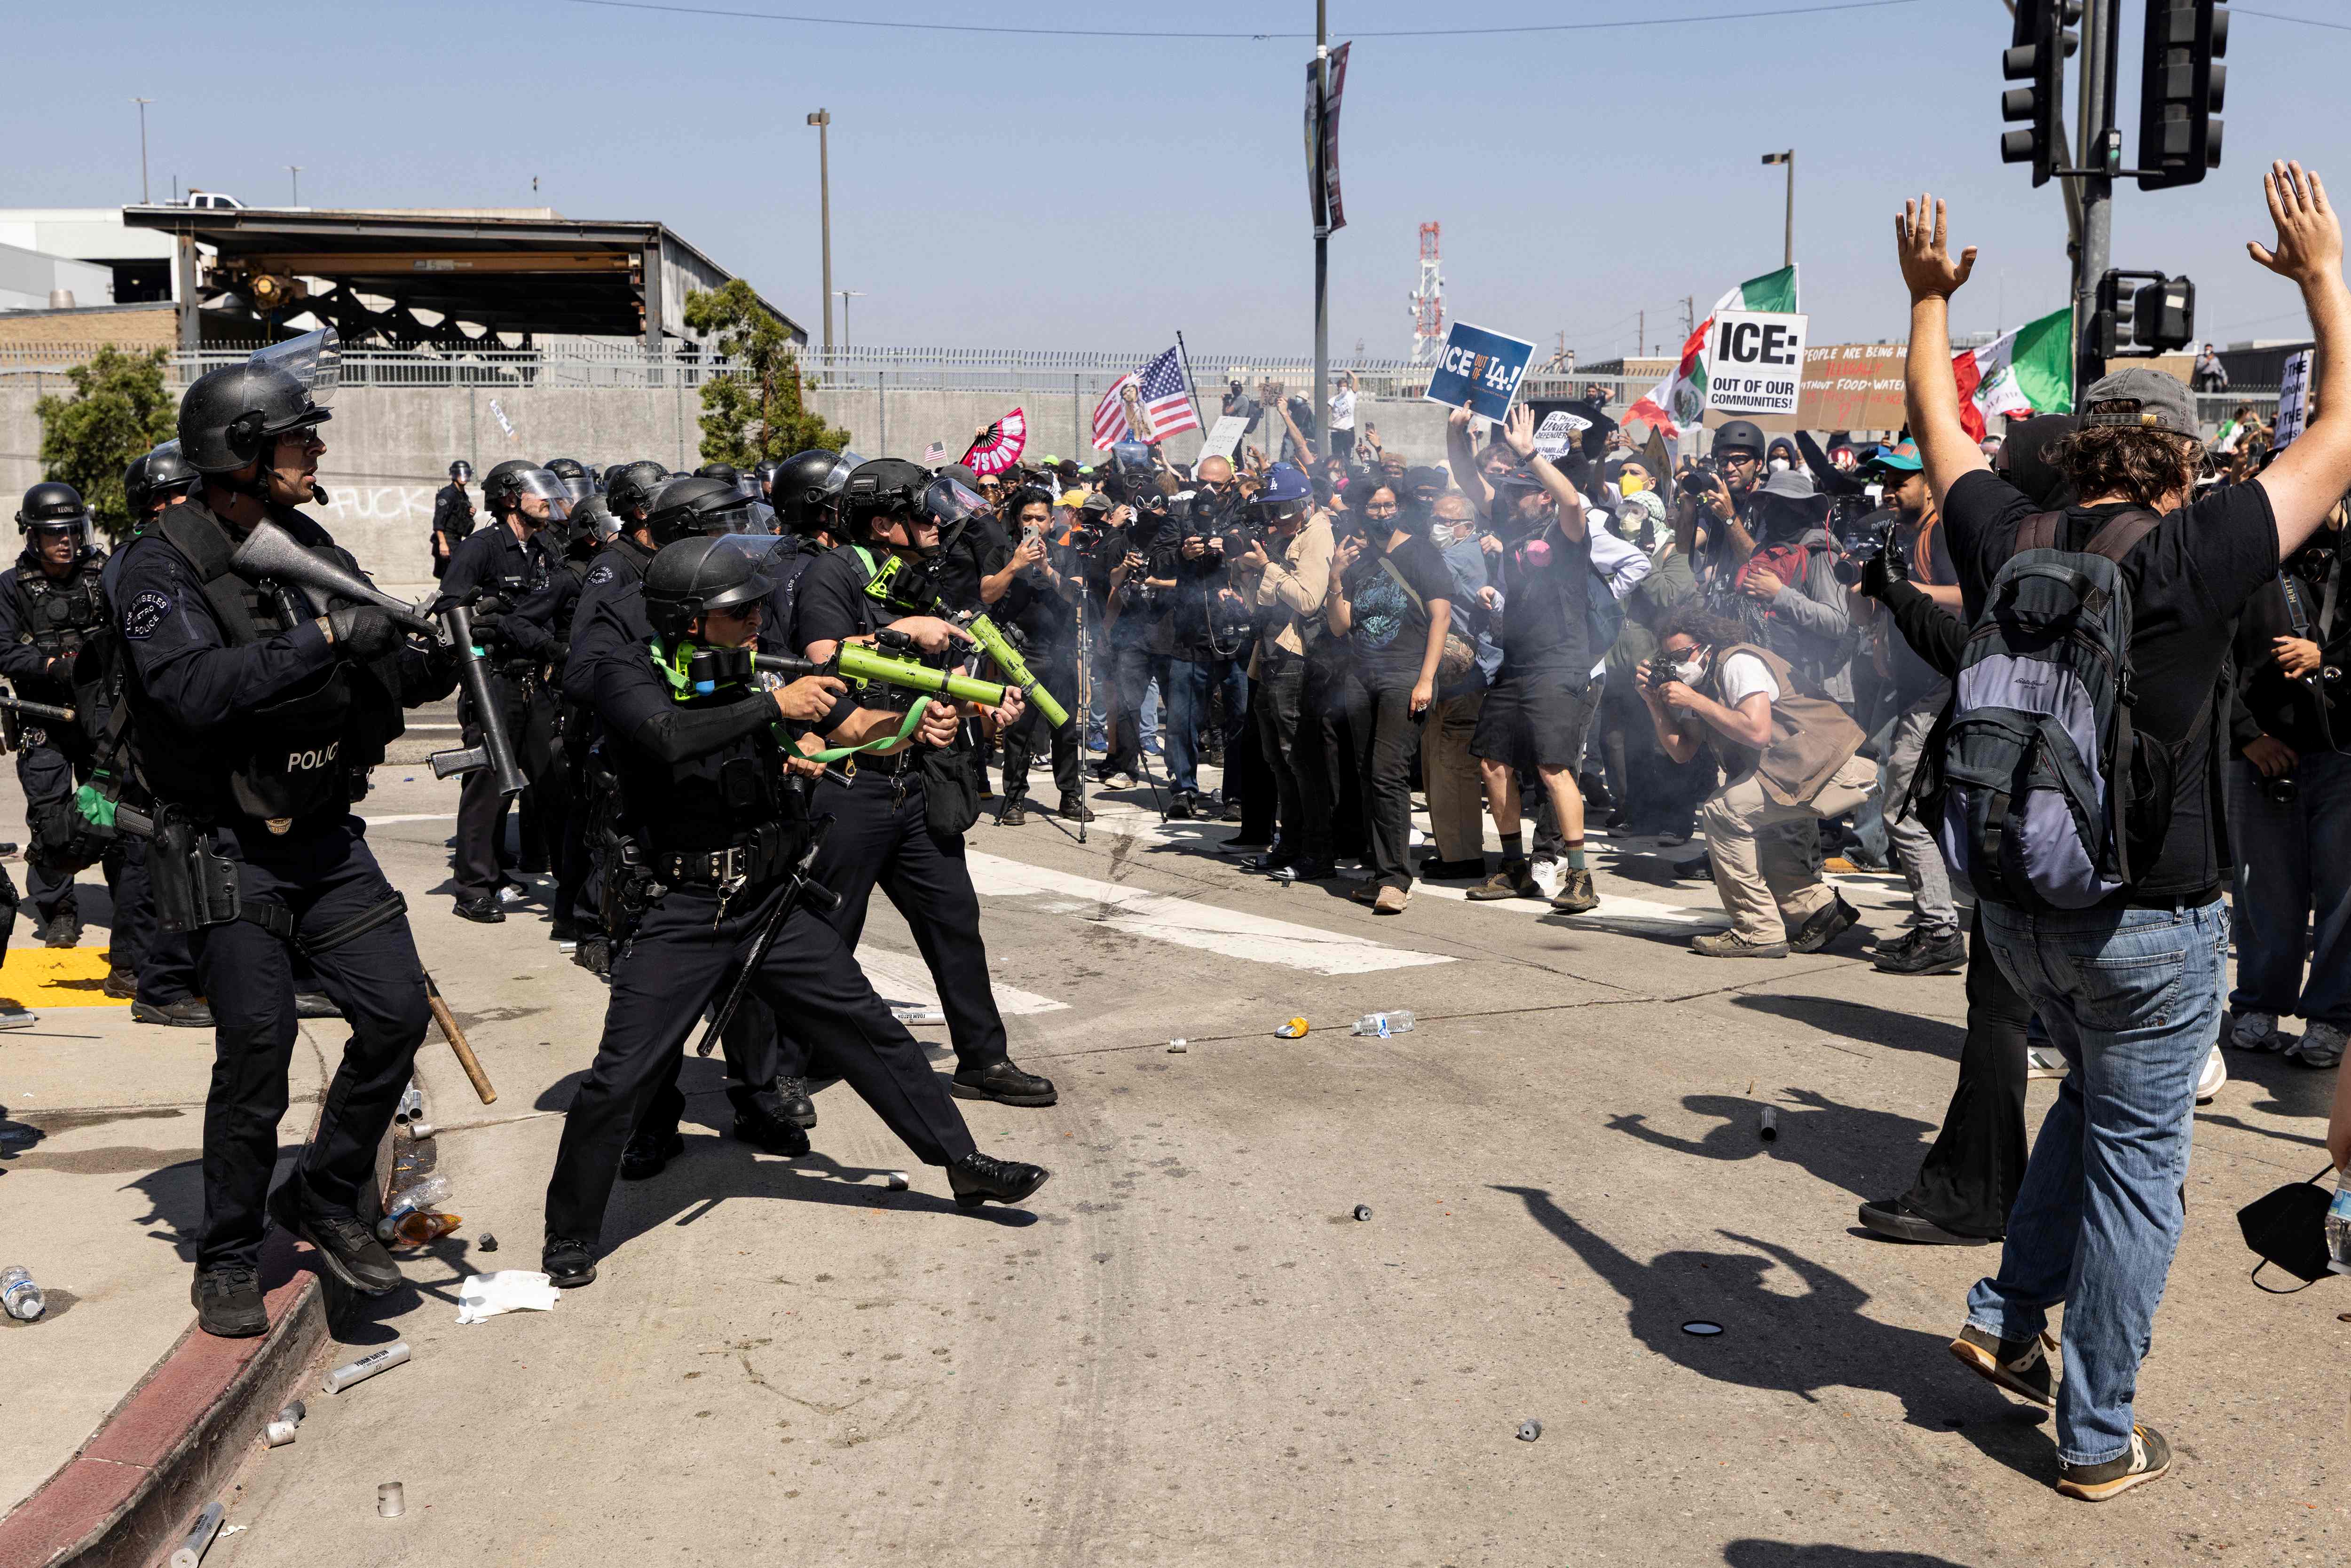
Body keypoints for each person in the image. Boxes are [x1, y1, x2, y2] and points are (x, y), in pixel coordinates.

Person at [1901, 164, 2351, 1501]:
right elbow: (2342, 423)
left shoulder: (2004, 527)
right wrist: (2325, 274)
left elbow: (1941, 427)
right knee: (2141, 1175)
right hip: (2148, 921)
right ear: (2178, 450)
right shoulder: (2199, 547)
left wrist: (1926, 303)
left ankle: (2002, 1312)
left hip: (2023, 910)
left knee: (2090, 1103)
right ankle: (2096, 1433)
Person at [541, 535, 1050, 1290]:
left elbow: (849, 731)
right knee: (621, 1076)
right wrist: (773, 708)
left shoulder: (750, 664)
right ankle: (570, 1232)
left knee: (871, 1030)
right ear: (689, 620)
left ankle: (962, 1163)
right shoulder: (628, 670)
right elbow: (670, 737)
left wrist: (919, 722)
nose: (755, 621)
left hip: (765, 901)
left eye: (755, 608)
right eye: (738, 611)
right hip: (681, 908)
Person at [113, 348, 459, 1337]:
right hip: (225, 843)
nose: (313, 450)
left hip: (322, 836)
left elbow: (378, 657)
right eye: (298, 437)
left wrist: (439, 650)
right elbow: (188, 688)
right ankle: (226, 1251)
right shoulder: (157, 564)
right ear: (245, 450)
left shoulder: (297, 539)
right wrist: (322, 640)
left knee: (394, 1013)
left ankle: (322, 1190)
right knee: (257, 1049)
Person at [780, 457, 1058, 1109]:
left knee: (955, 922)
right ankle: (783, 1075)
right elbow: (821, 662)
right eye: (920, 512)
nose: (936, 522)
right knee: (821, 934)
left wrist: (983, 705)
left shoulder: (914, 576)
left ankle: (983, 1060)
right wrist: (900, 630)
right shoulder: (833, 572)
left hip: (917, 784)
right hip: (851, 783)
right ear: (882, 523)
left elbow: (935, 678)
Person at [1640, 603, 1873, 958]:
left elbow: (1758, 731)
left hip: (1830, 765)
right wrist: (1655, 705)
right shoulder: (1704, 685)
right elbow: (1683, 750)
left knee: (1723, 811)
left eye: (1682, 654)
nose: (1676, 664)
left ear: (1705, 645)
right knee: (1758, 830)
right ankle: (1820, 909)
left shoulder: (1738, 663)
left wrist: (1695, 701)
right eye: (1668, 659)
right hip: (1798, 770)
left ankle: (1757, 929)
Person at [1450, 406, 1601, 914]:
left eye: (1523, 490)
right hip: (1514, 663)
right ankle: (1513, 867)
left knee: (1553, 766)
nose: (1513, 498)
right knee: (1493, 765)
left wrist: (1530, 455)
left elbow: (1572, 500)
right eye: (1510, 491)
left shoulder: (1565, 532)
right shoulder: (1510, 524)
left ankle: (1579, 876)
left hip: (1559, 664)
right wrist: (1454, 433)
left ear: (1540, 492)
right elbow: (1469, 481)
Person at [2222, 495, 2350, 1069]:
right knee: (2263, 895)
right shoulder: (2247, 556)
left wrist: (2324, 656)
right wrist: (2246, 735)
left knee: (2342, 897)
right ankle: (2256, 1005)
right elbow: (2211, 654)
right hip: (2262, 756)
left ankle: (2330, 1019)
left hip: (2341, 752)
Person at [106, 448, 213, 1027]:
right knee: (158, 856)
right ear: (152, 505)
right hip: (153, 734)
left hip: (177, 730)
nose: (189, 507)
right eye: (178, 497)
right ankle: (153, 979)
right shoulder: (140, 562)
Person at [1854, 440, 1967, 977]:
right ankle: (1934, 922)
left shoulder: (1943, 529)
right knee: (1914, 807)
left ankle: (1940, 930)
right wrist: (1866, 586)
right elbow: (1864, 613)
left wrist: (1904, 586)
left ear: (1929, 480)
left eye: (1901, 479)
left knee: (1898, 809)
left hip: (1939, 683)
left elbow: (1971, 594)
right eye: (1886, 480)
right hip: (1910, 686)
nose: (1890, 489)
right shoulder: (1896, 533)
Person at [437, 461, 563, 922]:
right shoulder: (481, 548)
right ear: (510, 498)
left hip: (537, 681)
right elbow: (448, 606)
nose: (546, 500)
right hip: (495, 682)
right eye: (536, 493)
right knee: (487, 784)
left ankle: (502, 868)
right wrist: (479, 618)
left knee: (548, 777)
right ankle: (472, 886)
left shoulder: (545, 547)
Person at [0, 482, 122, 951]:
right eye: (56, 534)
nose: (67, 541)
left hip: (100, 721)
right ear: (33, 537)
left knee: (106, 809)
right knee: (49, 815)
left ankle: (126, 899)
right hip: (43, 720)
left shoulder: (104, 573)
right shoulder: (11, 587)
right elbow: (5, 649)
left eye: (74, 530)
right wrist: (51, 667)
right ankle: (59, 908)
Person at [1325, 481, 1454, 911]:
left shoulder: (1422, 553)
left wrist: (1426, 679)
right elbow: (1341, 625)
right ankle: (1380, 870)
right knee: (1366, 773)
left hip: (1406, 676)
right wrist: (1335, 576)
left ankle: (1396, 879)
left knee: (1387, 772)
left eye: (1390, 505)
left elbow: (1441, 618)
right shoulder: (1360, 560)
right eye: (1375, 506)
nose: (1382, 513)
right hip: (1361, 679)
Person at [1230, 464, 1334, 878]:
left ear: (1304, 506)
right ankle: (1289, 843)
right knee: (1277, 759)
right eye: (1270, 511)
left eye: (1281, 511)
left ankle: (1317, 851)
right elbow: (1260, 606)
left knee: (1298, 759)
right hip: (1270, 654)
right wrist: (1245, 572)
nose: (1274, 520)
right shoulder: (1285, 536)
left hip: (1297, 658)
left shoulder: (1318, 534)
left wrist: (1268, 567)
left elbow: (1308, 600)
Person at [995, 485, 1088, 827]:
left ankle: (1070, 796)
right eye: (1027, 518)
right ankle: (1014, 798)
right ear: (1018, 520)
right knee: (1018, 730)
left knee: (1065, 727)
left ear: (1052, 521)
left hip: (1061, 654)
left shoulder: (1067, 552)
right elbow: (987, 591)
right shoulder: (1004, 550)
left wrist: (1047, 568)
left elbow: (1076, 597)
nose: (1033, 523)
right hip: (1019, 653)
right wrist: (1014, 566)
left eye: (1040, 518)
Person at [1163, 457, 1250, 820]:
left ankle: (1237, 794)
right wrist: (1184, 553)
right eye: (1202, 482)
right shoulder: (1180, 511)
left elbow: (1254, 543)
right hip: (1190, 632)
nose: (1209, 490)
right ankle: (1183, 788)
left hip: (1235, 634)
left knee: (1240, 716)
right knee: (1182, 717)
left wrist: (1230, 546)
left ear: (1232, 483)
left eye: (1217, 483)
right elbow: (1158, 560)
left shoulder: (1245, 511)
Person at [1419, 491, 1494, 878]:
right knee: (1438, 764)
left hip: (1465, 678)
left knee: (1453, 768)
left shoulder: (1458, 558)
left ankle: (1464, 856)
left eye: (1445, 521)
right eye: (1434, 516)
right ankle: (1451, 849)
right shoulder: (1454, 554)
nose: (1437, 525)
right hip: (1446, 678)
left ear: (1466, 527)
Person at [430, 459, 474, 581]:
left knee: (453, 577)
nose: (464, 477)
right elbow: (438, 520)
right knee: (450, 578)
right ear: (455, 475)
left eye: (466, 474)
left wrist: (469, 513)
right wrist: (443, 544)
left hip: (456, 540)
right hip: (447, 540)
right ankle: (444, 601)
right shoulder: (448, 494)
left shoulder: (462, 494)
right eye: (461, 474)